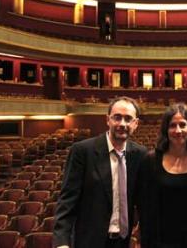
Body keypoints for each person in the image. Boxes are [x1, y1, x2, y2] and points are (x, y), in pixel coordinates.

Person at [54, 96, 148, 248]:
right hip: (89, 241)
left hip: (122, 241)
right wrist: (62, 242)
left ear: (135, 123)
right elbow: (67, 201)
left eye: (128, 119)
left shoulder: (140, 154)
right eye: (117, 117)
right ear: (107, 120)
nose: (122, 124)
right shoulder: (82, 151)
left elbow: (144, 200)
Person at [137, 103, 187, 248]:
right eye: (172, 125)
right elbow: (144, 204)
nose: (178, 130)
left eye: (183, 125)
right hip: (159, 239)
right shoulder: (151, 160)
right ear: (165, 129)